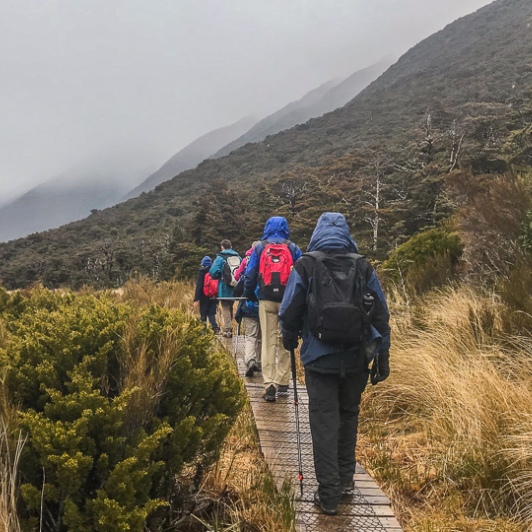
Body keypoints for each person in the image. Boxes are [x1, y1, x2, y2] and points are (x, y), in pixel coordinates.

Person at [279, 212, 391, 516]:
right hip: (356, 359)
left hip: (319, 360)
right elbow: (381, 313)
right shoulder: (363, 265)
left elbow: (289, 311)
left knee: (324, 422)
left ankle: (327, 495)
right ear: (346, 232)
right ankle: (345, 483)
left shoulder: (306, 264)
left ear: (317, 232)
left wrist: (289, 338)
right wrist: (383, 354)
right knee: (348, 416)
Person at [244, 217, 302, 401]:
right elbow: (301, 274)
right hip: (288, 300)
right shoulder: (293, 248)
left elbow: (250, 274)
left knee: (268, 341)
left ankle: (269, 384)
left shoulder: (260, 248)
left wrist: (250, 294)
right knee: (285, 338)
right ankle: (283, 381)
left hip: (266, 300)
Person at [234, 242, 262, 377]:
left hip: (249, 304)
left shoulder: (246, 260)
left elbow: (237, 277)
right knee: (261, 337)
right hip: (264, 305)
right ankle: (260, 361)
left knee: (251, 336)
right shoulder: (267, 260)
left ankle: (250, 359)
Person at [209, 239, 241, 338]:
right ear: (231, 246)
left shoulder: (220, 257)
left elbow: (213, 271)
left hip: (224, 286)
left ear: (222, 247)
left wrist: (220, 276)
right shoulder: (238, 257)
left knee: (225, 307)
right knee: (230, 306)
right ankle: (230, 327)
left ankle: (228, 329)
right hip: (235, 287)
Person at [193, 256, 220, 333]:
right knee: (211, 314)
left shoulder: (201, 272)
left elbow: (199, 286)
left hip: (204, 296)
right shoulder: (214, 271)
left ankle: (203, 330)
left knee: (203, 314)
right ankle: (215, 327)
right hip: (214, 295)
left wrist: (196, 299)